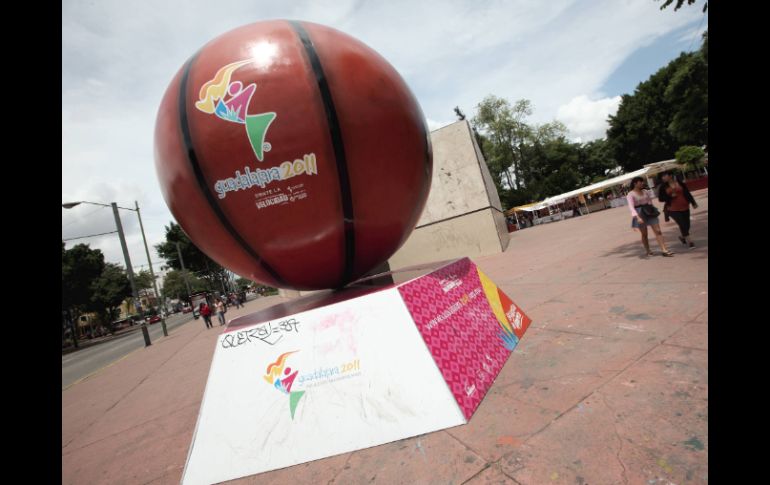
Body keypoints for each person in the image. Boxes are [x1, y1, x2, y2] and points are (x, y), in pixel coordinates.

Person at [626, 176, 673, 257]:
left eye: (642, 182)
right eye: (640, 182)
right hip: (639, 213)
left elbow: (650, 201)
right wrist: (637, 217)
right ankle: (648, 250)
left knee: (658, 231)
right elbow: (631, 207)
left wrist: (653, 210)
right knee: (644, 234)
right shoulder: (630, 194)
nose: (642, 183)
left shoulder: (645, 191)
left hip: (649, 211)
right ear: (635, 183)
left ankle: (664, 250)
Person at [657, 171, 698, 249]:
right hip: (672, 209)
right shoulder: (662, 187)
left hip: (685, 206)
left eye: (665, 175)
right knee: (682, 224)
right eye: (662, 176)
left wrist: (693, 202)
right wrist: (670, 197)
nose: (663, 178)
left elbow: (687, 193)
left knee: (687, 224)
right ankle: (690, 242)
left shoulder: (680, 182)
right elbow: (660, 199)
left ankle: (683, 237)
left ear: (670, 175)